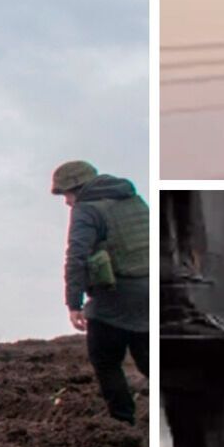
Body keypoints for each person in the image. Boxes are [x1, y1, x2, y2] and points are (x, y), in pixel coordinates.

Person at [53, 160, 149, 424]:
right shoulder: (133, 199)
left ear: (77, 188)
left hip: (115, 297)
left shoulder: (86, 209)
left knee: (105, 360)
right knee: (148, 360)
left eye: (66, 195)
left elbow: (76, 258)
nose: (67, 202)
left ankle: (123, 424)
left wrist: (74, 303)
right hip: (153, 292)